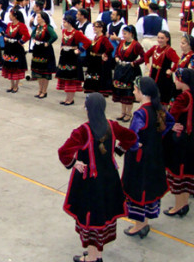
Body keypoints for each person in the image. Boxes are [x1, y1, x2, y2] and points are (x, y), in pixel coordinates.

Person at [58, 93, 137, 262]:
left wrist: (73, 163)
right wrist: (118, 151)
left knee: (92, 216)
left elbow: (63, 151)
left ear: (88, 108)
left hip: (91, 181)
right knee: (103, 214)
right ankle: (98, 253)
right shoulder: (112, 125)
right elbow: (131, 137)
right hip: (109, 178)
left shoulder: (83, 131)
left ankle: (93, 258)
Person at [122, 77, 175, 238]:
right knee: (149, 186)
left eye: (135, 90)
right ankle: (144, 221)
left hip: (140, 160)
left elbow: (132, 137)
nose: (133, 92)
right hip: (155, 156)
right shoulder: (158, 108)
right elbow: (170, 123)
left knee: (139, 188)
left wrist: (133, 146)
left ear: (143, 93)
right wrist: (155, 138)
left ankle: (140, 224)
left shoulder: (141, 113)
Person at [163, 68, 194, 217]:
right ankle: (184, 203)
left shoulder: (182, 98)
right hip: (191, 138)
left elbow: (170, 116)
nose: (175, 81)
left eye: (177, 79)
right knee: (187, 172)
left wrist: (169, 125)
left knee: (178, 173)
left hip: (181, 140)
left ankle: (178, 205)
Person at [56, 15, 91, 105]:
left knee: (71, 78)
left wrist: (80, 50)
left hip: (72, 57)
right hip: (64, 56)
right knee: (65, 77)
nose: (63, 24)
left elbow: (88, 42)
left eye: (64, 22)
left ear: (69, 23)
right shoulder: (64, 31)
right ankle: (67, 98)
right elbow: (62, 41)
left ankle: (70, 99)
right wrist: (61, 47)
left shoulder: (76, 33)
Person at [113, 25, 145, 122]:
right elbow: (117, 52)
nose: (123, 35)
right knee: (121, 91)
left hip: (130, 71)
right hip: (120, 69)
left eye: (125, 33)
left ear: (131, 34)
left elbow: (144, 57)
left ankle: (128, 113)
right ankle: (123, 112)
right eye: (123, 33)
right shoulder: (122, 42)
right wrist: (117, 58)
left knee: (128, 92)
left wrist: (134, 63)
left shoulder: (136, 45)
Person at [144, 31, 179, 106]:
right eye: (158, 38)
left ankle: (163, 116)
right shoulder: (155, 48)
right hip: (153, 74)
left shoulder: (169, 50)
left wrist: (172, 70)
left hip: (164, 78)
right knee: (153, 96)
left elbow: (177, 61)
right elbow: (146, 55)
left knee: (163, 99)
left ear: (167, 39)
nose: (159, 40)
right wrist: (147, 64)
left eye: (162, 38)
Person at [1, 7, 30, 93]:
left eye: (11, 15)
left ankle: (16, 86)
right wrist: (5, 38)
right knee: (10, 66)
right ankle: (11, 85)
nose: (9, 16)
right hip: (9, 48)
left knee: (16, 67)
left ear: (15, 16)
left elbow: (27, 35)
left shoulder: (21, 25)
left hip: (16, 48)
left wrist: (21, 41)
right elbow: (6, 33)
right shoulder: (9, 25)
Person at [31, 11, 58, 99]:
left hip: (45, 51)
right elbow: (32, 34)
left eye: (38, 17)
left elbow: (54, 36)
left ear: (43, 18)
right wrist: (35, 38)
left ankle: (44, 91)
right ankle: (40, 89)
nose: (37, 19)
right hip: (38, 49)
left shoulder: (48, 27)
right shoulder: (37, 27)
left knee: (45, 72)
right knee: (38, 71)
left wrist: (48, 43)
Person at [84, 21, 114, 97]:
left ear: (101, 28)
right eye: (94, 26)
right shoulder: (95, 38)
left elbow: (110, 48)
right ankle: (92, 89)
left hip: (99, 60)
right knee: (92, 76)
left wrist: (105, 54)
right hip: (93, 60)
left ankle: (98, 90)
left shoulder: (103, 39)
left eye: (97, 27)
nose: (94, 28)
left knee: (98, 76)